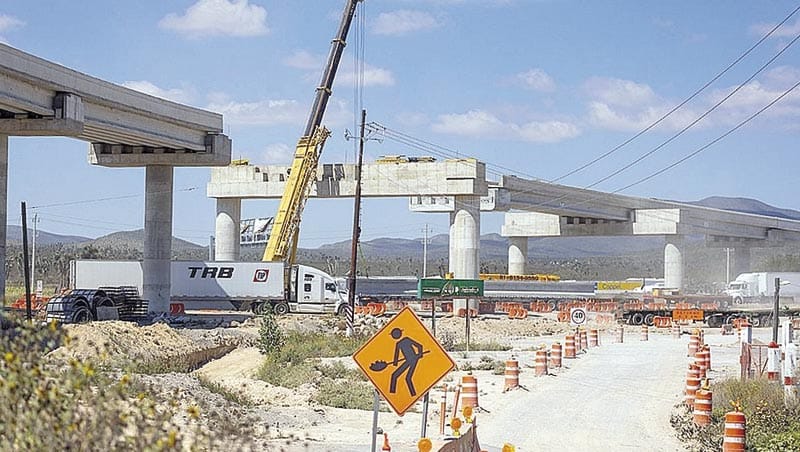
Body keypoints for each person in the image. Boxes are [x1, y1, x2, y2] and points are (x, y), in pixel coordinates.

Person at [389, 327, 423, 396]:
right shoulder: (398, 344)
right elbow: (396, 355)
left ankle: (413, 395)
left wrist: (420, 355)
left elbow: (419, 346)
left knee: (407, 378)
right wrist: (395, 363)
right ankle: (392, 393)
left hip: (413, 359)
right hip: (408, 360)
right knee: (394, 376)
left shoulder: (407, 340)